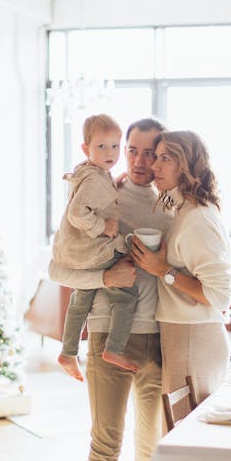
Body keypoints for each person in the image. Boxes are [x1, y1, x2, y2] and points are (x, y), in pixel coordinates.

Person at [49, 117, 171, 461]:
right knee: (106, 449)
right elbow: (66, 267)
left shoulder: (169, 207)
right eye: (134, 151)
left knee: (151, 447)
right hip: (105, 338)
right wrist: (104, 280)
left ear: (164, 158)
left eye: (151, 153)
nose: (141, 161)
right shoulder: (105, 194)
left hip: (157, 338)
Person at [130, 129, 231, 402]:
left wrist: (162, 271)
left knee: (185, 439)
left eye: (165, 158)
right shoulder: (187, 211)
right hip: (184, 336)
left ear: (186, 165)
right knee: (183, 435)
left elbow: (221, 296)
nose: (154, 165)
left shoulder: (197, 219)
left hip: (193, 339)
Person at [52, 114, 138, 381]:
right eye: (101, 146)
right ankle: (114, 348)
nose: (110, 152)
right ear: (85, 149)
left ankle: (68, 352)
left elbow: (95, 197)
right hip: (94, 250)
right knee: (126, 295)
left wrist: (115, 184)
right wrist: (103, 227)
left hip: (77, 252)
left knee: (81, 300)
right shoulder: (93, 179)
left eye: (114, 146)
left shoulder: (93, 173)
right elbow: (77, 214)